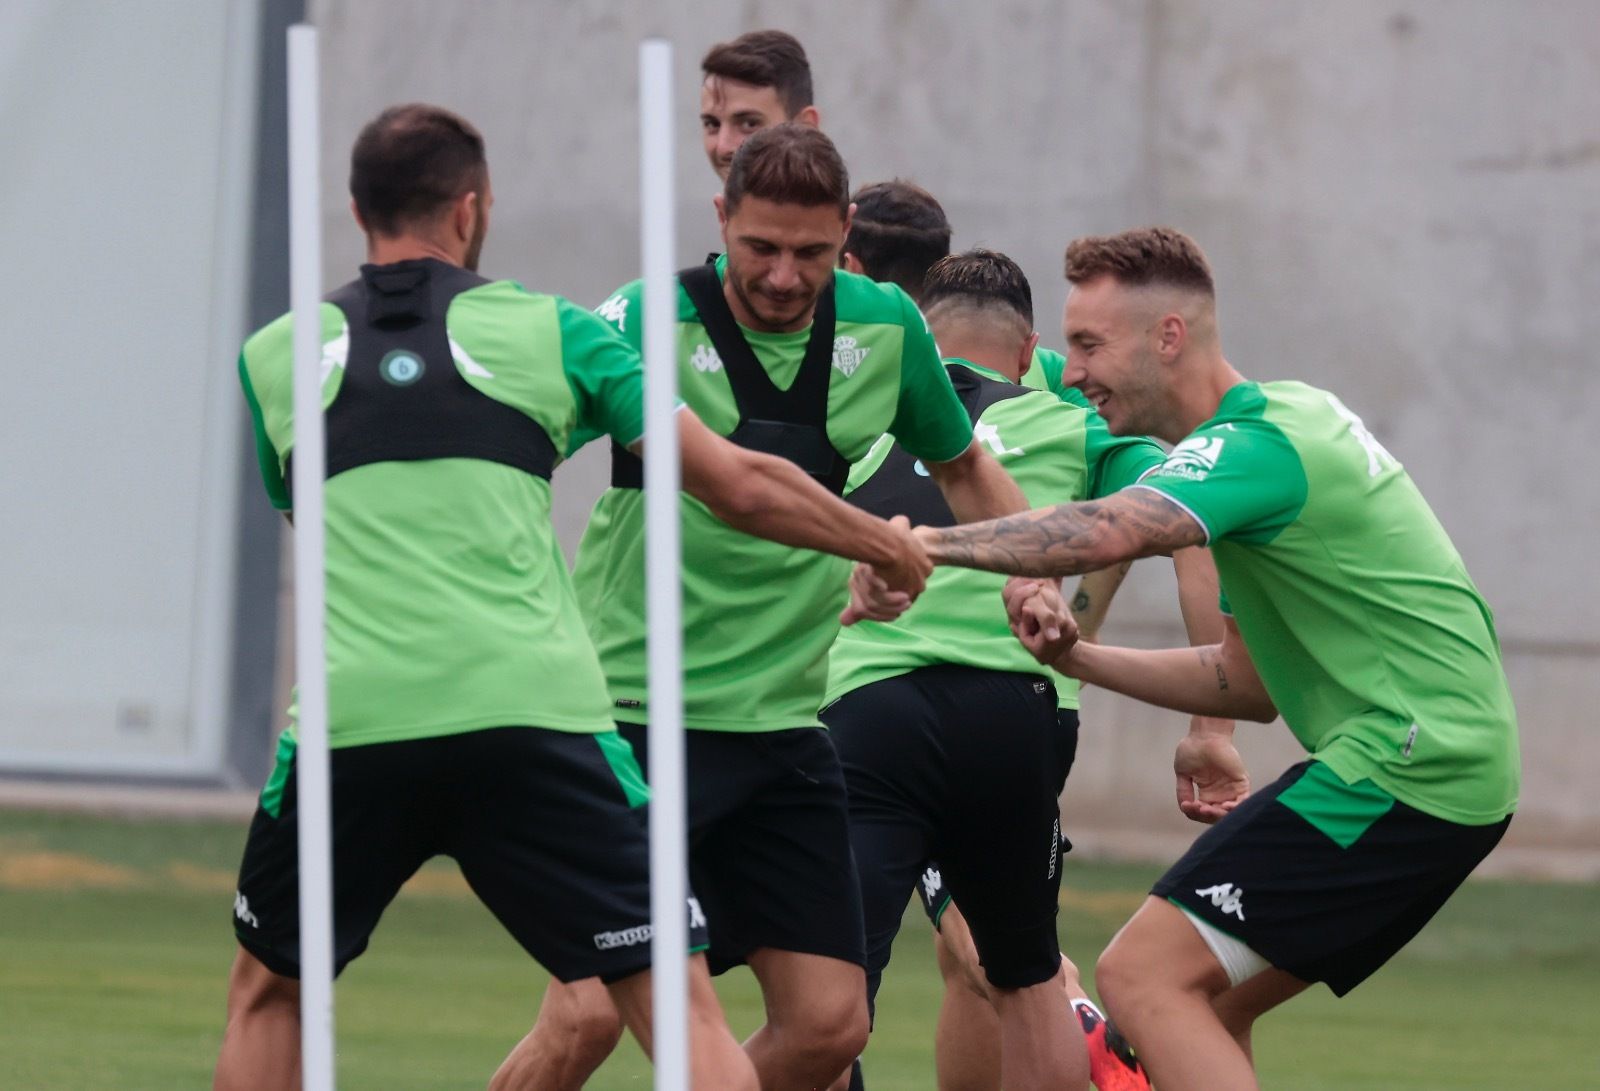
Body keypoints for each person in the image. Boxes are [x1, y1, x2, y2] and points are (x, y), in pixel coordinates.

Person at [214, 103, 937, 1091]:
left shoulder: (271, 358)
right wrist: (876, 542)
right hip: (537, 710)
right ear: (472, 210)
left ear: (354, 207)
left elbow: (306, 509)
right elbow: (736, 482)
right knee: (675, 1013)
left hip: (358, 710)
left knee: (271, 994)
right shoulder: (554, 333)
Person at [912, 226, 1521, 1090]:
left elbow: (1107, 527)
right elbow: (1248, 683)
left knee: (1142, 976)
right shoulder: (1269, 444)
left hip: (1413, 767)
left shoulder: (1255, 446)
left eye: (1090, 344)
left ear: (1169, 336)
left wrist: (925, 544)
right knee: (1204, 1000)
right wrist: (1079, 658)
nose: (1074, 369)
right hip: (1427, 763)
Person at [502, 124, 1029, 1091]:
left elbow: (962, 466)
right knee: (582, 1015)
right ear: (721, 221)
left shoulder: (886, 329)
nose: (785, 277)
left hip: (782, 724)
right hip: (633, 713)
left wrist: (1031, 579)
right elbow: (525, 453)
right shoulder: (643, 321)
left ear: (847, 236)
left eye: (811, 254)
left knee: (832, 1024)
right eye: (761, 249)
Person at [840, 183, 1168, 1091]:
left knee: (827, 994)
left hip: (869, 710)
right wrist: (1206, 728)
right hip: (1019, 713)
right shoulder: (1077, 418)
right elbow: (1181, 525)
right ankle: (1079, 1027)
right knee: (1014, 973)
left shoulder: (860, 411)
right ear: (1033, 351)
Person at [699, 29, 820, 180]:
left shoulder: (852, 203)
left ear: (805, 126)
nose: (723, 148)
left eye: (749, 124)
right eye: (712, 124)